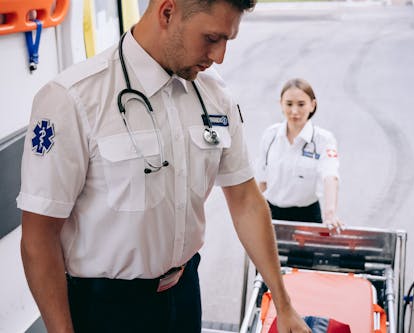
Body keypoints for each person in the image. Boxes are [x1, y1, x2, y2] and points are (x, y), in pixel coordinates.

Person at [17, 1, 311, 332]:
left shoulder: (213, 94)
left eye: (228, 40)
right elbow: (39, 235)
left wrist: (284, 305)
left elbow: (245, 199)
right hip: (106, 311)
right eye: (211, 38)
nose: (220, 56)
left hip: (184, 297)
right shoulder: (73, 98)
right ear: (167, 12)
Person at [256, 78, 342, 230]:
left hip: (307, 216)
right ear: (281, 104)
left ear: (312, 105)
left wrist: (330, 214)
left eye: (301, 104)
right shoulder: (270, 136)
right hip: (271, 214)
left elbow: (330, 176)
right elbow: (262, 181)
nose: (294, 111)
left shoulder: (323, 139)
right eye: (289, 104)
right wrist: (256, 212)